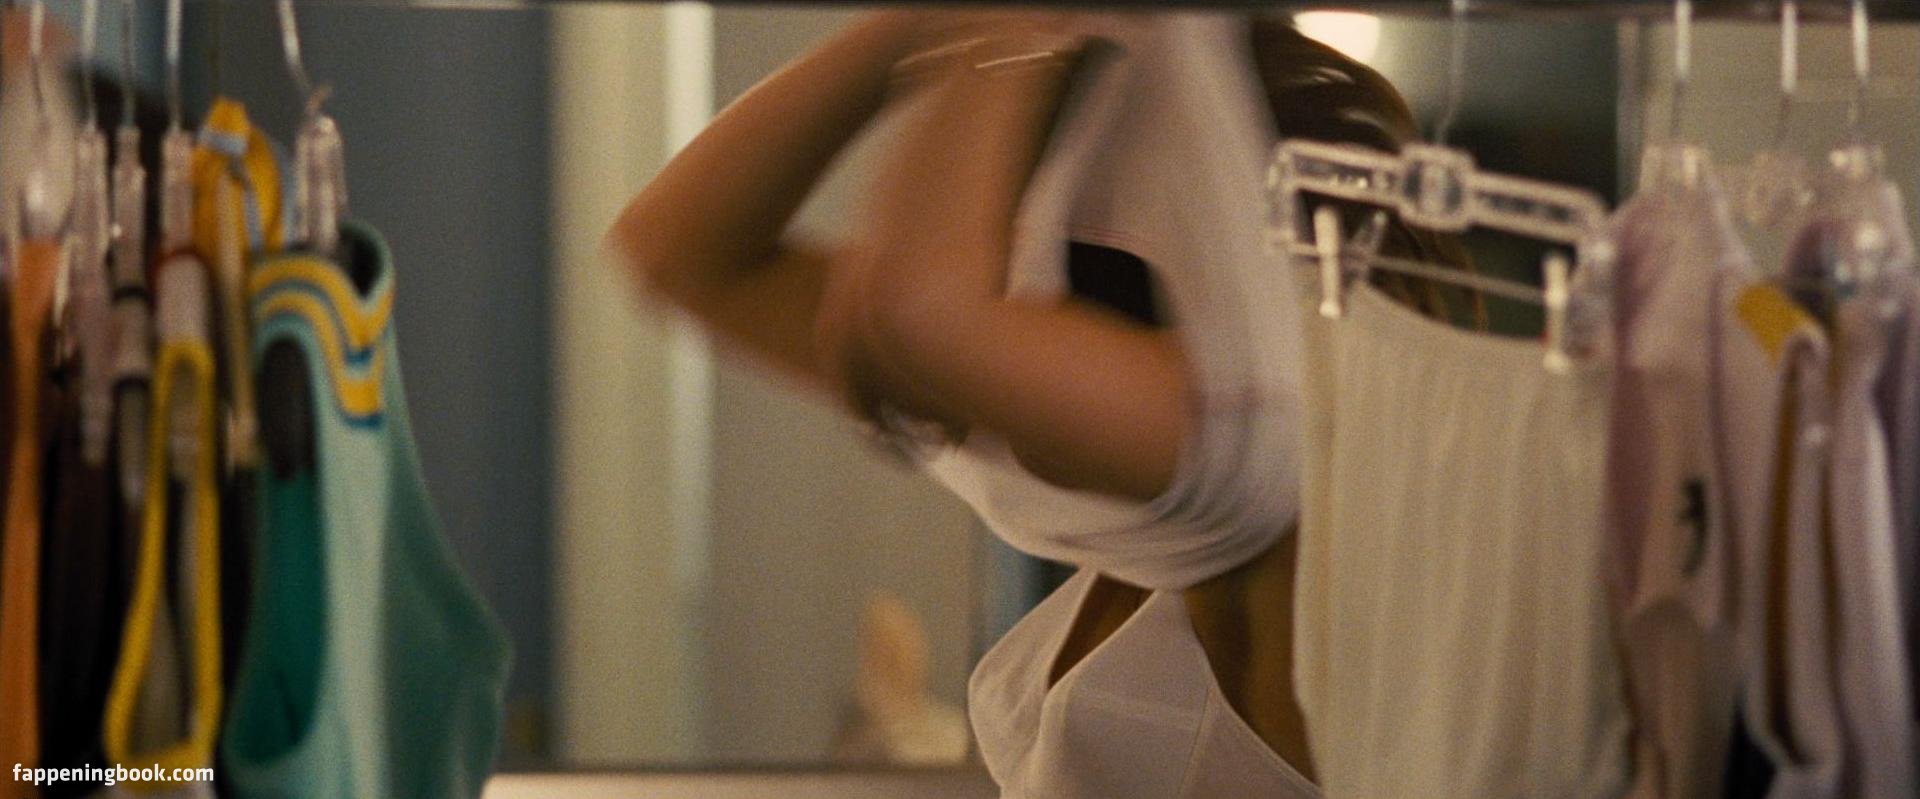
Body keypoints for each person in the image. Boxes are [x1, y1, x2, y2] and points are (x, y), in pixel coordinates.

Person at [610, 9, 1468, 795]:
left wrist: (1014, 31)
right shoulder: (1135, 467)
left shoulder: (1260, 439)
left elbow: (920, 316)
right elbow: (681, 253)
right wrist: (918, 25)